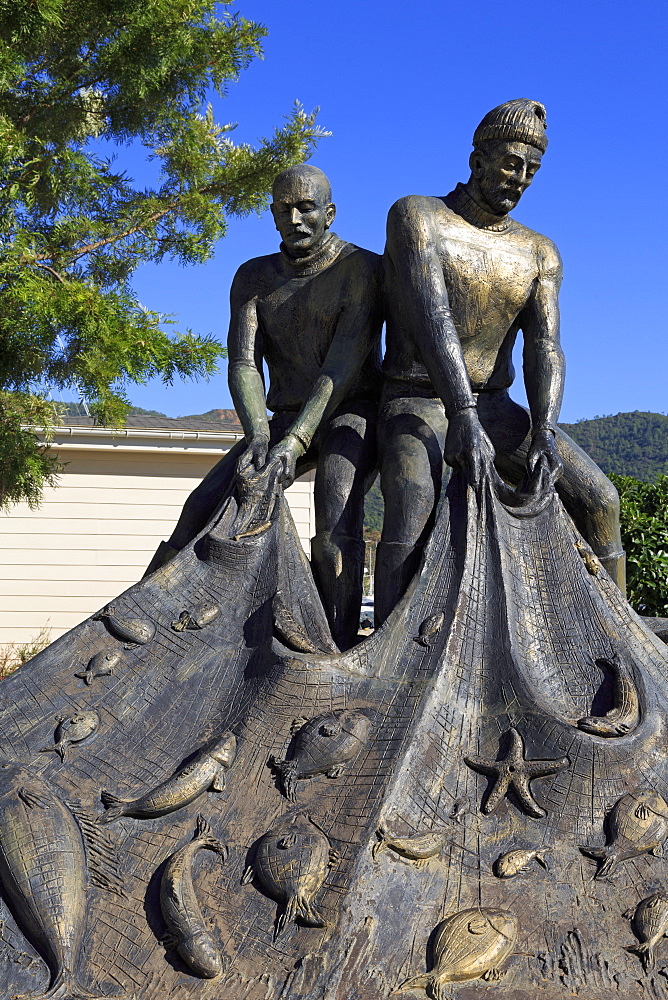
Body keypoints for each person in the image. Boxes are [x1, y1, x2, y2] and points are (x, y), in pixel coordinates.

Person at [375, 99, 624, 625]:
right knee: (414, 502)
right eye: (512, 163)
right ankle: (391, 652)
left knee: (600, 502)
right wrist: (461, 414)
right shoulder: (417, 216)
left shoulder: (540, 250)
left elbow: (546, 346)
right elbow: (431, 314)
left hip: (496, 407)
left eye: (532, 169)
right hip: (418, 400)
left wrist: (545, 430)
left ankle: (616, 637)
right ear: (477, 160)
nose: (521, 178)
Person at [146, 164, 383, 649]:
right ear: (273, 215)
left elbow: (341, 365)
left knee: (336, 506)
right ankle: (149, 614)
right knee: (204, 503)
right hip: (280, 419)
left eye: (306, 208)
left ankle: (334, 641)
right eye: (284, 209)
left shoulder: (361, 269)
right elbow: (243, 364)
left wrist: (296, 443)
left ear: (330, 213)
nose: (295, 218)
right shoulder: (253, 277)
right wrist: (258, 432)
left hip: (350, 411)